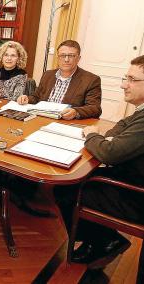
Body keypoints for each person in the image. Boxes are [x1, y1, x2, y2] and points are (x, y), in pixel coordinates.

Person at [55, 55, 144, 272]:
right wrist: (104, 139)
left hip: (136, 197)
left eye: (132, 79)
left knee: (66, 190)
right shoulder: (140, 112)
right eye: (126, 78)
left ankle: (103, 242)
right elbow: (116, 130)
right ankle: (104, 239)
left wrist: (92, 136)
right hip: (129, 178)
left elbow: (108, 152)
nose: (124, 84)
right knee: (77, 181)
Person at [17, 40, 102, 120]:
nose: (66, 60)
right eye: (62, 55)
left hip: (65, 122)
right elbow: (36, 97)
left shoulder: (91, 80)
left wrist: (76, 112)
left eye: (71, 56)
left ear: (78, 58)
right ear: (58, 57)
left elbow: (95, 108)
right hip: (42, 117)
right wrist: (27, 99)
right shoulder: (48, 75)